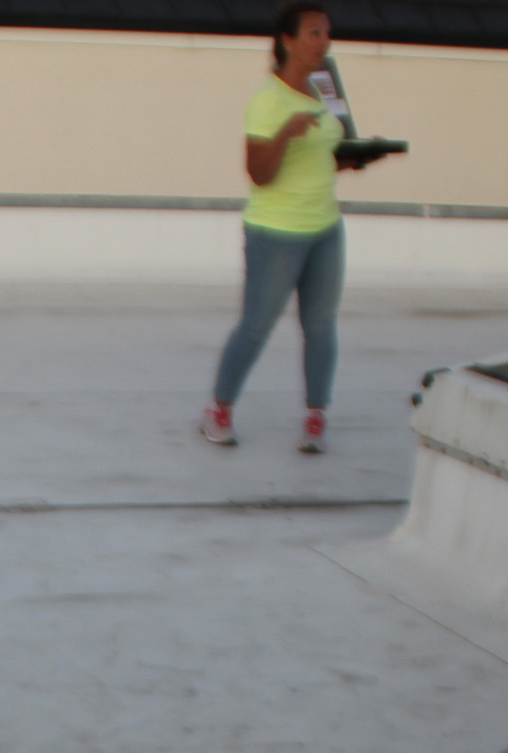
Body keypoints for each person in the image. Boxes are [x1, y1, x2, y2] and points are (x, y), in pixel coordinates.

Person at [200, 3, 376, 455]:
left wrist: (355, 158)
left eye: (327, 33)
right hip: (275, 233)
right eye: (315, 33)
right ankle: (219, 410)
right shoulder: (268, 100)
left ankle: (316, 416)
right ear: (288, 41)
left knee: (321, 326)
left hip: (325, 229)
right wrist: (284, 133)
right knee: (256, 327)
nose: (324, 42)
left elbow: (328, 153)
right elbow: (259, 173)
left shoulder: (325, 89)